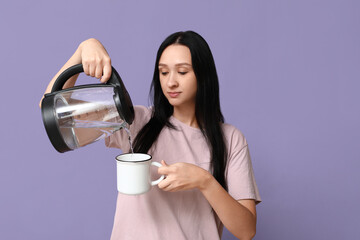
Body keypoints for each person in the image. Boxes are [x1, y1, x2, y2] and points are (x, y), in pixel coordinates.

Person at [41, 31, 261, 240]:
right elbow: (53, 111)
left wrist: (204, 181)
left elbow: (246, 231)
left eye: (182, 72)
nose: (170, 82)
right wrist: (83, 49)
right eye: (163, 72)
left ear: (204, 76)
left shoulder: (230, 139)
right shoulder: (136, 121)